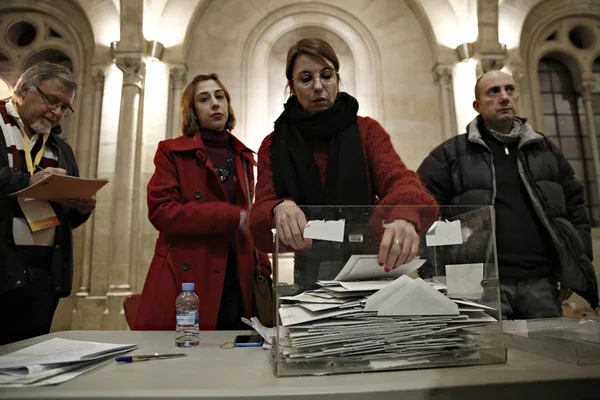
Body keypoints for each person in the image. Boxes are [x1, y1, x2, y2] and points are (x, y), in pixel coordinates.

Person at [249, 38, 438, 290]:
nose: (318, 86)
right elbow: (259, 217)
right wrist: (277, 208)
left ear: (337, 79)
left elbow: (401, 182)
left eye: (326, 75)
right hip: (308, 278)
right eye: (306, 79)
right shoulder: (273, 144)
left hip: (369, 270)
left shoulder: (367, 131)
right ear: (292, 86)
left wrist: (403, 216)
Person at [417, 70, 598, 319]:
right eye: (494, 91)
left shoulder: (545, 151)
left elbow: (576, 210)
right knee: (489, 356)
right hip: (481, 286)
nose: (504, 97)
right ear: (477, 105)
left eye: (510, 89)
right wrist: (435, 274)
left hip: (541, 283)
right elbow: (421, 213)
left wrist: (574, 267)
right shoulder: (451, 155)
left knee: (547, 356)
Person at [134, 73, 271, 331]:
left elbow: (250, 216)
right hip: (190, 276)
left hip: (237, 274)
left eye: (220, 97)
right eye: (204, 99)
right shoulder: (171, 151)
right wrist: (230, 217)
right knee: (189, 360)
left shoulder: (242, 157)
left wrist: (262, 264)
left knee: (237, 360)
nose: (215, 104)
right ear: (193, 110)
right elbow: (162, 211)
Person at [0, 62, 96, 345]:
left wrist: (80, 208)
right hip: (4, 265)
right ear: (25, 89)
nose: (57, 112)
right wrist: (30, 182)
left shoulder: (59, 148)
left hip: (42, 276)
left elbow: (65, 218)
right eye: (52, 100)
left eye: (65, 107)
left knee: (29, 361)